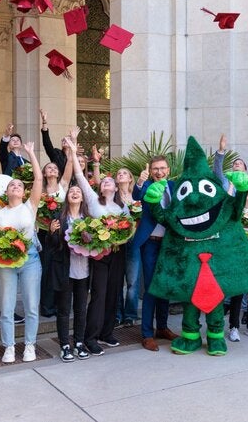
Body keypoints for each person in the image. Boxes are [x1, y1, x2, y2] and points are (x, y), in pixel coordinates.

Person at [69, 138, 127, 355]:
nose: (107, 183)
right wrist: (73, 152)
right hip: (99, 254)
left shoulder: (122, 207)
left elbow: (128, 229)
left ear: (116, 187)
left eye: (110, 181)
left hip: (118, 253)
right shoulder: (93, 200)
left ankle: (107, 332)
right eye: (104, 182)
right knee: (99, 295)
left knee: (113, 293)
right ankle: (90, 338)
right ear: (100, 187)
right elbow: (79, 176)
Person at [0, 141, 43, 363]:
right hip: (6, 263)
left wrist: (30, 153)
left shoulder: (30, 206)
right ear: (6, 191)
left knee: (31, 305)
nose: (16, 187)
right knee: (6, 307)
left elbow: (38, 179)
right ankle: (9, 347)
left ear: (24, 192)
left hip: (30, 259)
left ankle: (29, 345)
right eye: (12, 185)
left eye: (19, 185)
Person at [214, 134, 248, 341]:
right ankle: (234, 326)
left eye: (240, 163)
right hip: (237, 252)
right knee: (237, 289)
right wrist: (221, 151)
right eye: (234, 163)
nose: (236, 165)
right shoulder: (231, 201)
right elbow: (218, 173)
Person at [130, 155, 180, 351]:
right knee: (151, 287)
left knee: (164, 286)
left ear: (168, 170)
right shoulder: (146, 185)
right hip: (150, 243)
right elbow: (136, 195)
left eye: (162, 168)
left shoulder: (174, 186)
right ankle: (147, 334)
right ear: (150, 171)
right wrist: (140, 181)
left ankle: (162, 327)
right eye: (155, 169)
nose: (159, 172)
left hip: (169, 244)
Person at [46, 155, 92, 362]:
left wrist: (89, 239)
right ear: (67, 197)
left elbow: (95, 245)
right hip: (65, 270)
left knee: (81, 309)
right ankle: (65, 344)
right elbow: (53, 247)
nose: (74, 193)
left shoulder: (89, 220)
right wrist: (52, 233)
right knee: (64, 310)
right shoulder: (59, 218)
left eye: (78, 192)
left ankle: (79, 342)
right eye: (71, 191)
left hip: (84, 271)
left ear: (82, 198)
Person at [38, 156, 72, 319]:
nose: (52, 169)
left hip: (61, 232)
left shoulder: (63, 185)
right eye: (49, 168)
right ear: (44, 173)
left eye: (55, 168)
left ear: (58, 173)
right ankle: (46, 306)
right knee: (46, 269)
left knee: (60, 268)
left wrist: (71, 151)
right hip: (44, 233)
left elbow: (69, 166)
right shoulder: (39, 189)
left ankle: (60, 305)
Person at [114, 166, 141, 327]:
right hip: (117, 243)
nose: (121, 175)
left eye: (125, 173)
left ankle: (130, 315)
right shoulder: (112, 197)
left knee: (133, 281)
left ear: (131, 178)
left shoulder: (137, 196)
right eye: (119, 173)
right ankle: (117, 314)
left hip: (134, 241)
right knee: (117, 280)